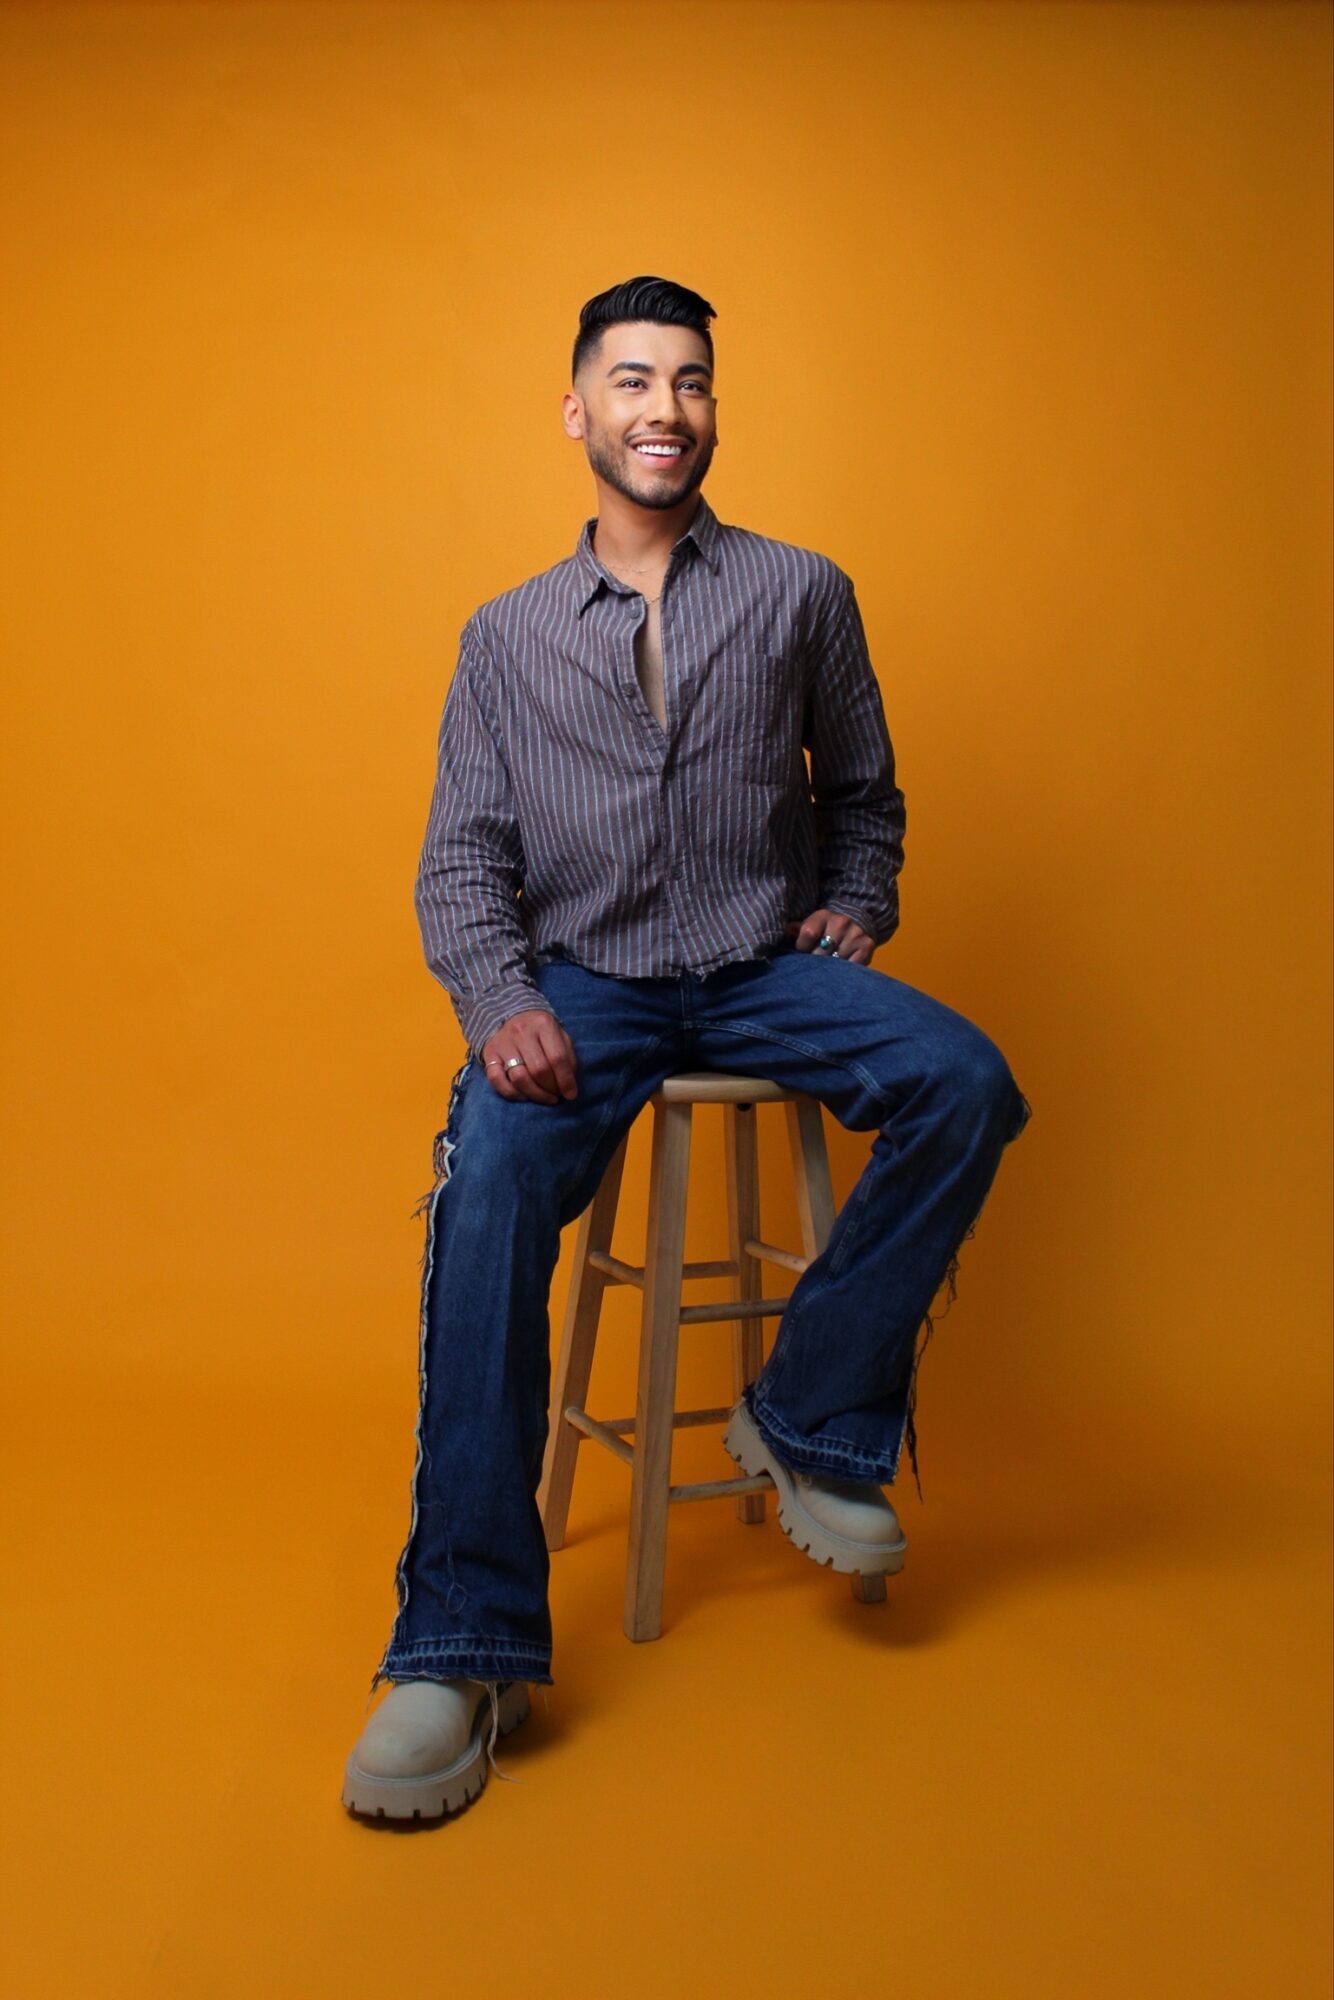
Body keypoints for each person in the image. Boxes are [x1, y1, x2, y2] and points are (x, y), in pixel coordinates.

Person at [342, 275, 1032, 1824]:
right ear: (578, 411)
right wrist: (497, 1001)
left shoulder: (799, 591)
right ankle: (458, 1645)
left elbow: (862, 789)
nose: (668, 407)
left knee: (964, 1082)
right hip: (583, 985)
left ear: (715, 410)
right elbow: (461, 865)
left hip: (756, 967)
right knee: (491, 1189)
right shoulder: (505, 636)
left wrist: (856, 900)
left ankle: (803, 1418)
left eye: (695, 382)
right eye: (636, 380)